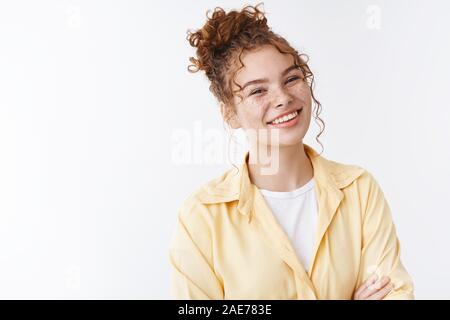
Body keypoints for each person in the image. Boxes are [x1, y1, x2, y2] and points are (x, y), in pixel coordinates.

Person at [168, 3, 414, 299]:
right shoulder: (202, 217)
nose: (283, 98)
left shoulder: (359, 192)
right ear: (230, 113)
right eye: (258, 91)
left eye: (292, 79)